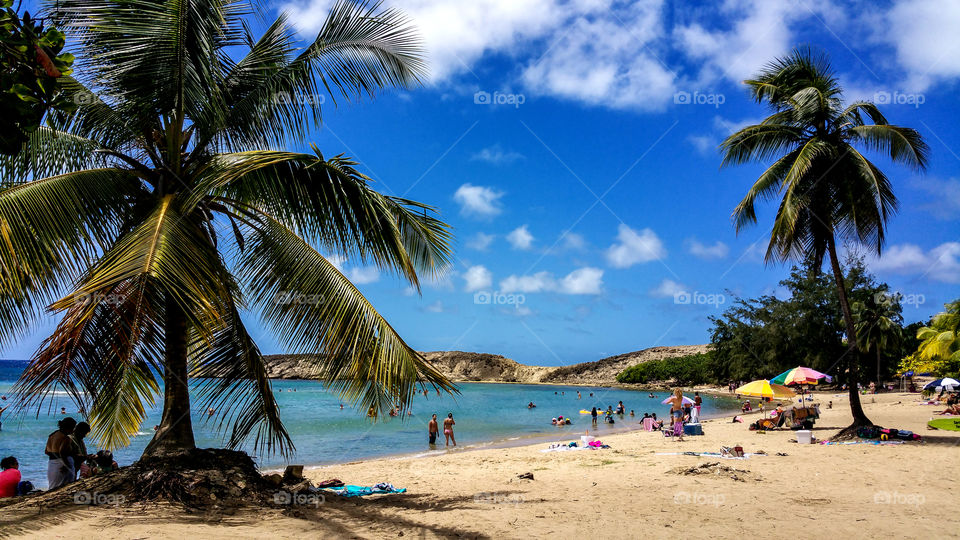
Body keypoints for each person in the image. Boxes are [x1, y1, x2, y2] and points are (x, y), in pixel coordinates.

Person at [45, 417, 76, 489]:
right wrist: (66, 465)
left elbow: (46, 451)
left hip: (51, 464)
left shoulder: (52, 435)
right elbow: (62, 452)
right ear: (69, 427)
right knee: (66, 486)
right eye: (73, 428)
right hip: (62, 464)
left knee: (53, 486)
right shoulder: (66, 438)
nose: (74, 430)